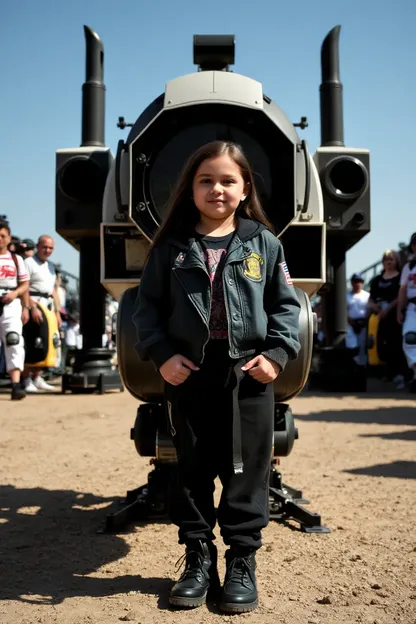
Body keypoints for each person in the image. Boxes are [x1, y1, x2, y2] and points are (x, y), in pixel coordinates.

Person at [132, 141, 301, 613]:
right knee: (190, 470)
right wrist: (163, 355)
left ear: (245, 187)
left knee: (248, 472)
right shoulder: (170, 247)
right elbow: (146, 312)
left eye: (228, 180)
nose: (217, 189)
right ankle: (197, 559)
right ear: (190, 188)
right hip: (188, 374)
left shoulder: (263, 243)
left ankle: (242, 561)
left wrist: (277, 353)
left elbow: (287, 307)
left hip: (248, 374)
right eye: (206, 180)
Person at [22, 235, 61, 392]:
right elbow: (24, 287)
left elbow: (53, 290)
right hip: (33, 303)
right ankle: (25, 379)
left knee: (44, 342)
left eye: (51, 247)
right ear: (38, 246)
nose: (47, 250)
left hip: (48, 305)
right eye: (45, 247)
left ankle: (37, 377)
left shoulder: (50, 266)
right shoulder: (28, 263)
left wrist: (57, 312)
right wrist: (31, 307)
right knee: (30, 341)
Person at [0, 220, 29, 400]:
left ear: (9, 238)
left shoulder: (16, 260)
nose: (0, 239)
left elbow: (25, 284)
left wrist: (16, 294)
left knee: (14, 340)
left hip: (10, 303)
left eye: (3, 236)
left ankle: (16, 384)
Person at [368, 250, 406, 388]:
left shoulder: (400, 277)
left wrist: (388, 308)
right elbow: (370, 298)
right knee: (380, 346)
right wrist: (373, 306)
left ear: (396, 261)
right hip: (379, 317)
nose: (388, 262)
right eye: (386, 260)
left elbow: (400, 295)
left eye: (391, 259)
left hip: (394, 316)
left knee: (396, 345)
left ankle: (399, 375)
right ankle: (388, 374)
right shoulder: (377, 280)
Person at [397, 232, 416, 392]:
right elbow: (403, 290)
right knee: (409, 339)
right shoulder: (409, 267)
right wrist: (399, 310)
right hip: (412, 307)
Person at [346, 273, 370, 368]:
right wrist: (351, 321)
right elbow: (344, 310)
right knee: (351, 345)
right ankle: (353, 366)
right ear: (352, 283)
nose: (357, 284)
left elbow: (369, 309)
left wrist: (365, 321)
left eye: (359, 281)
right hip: (351, 323)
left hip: (363, 323)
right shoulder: (347, 295)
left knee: (363, 346)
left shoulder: (367, 295)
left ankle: (362, 368)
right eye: (355, 281)